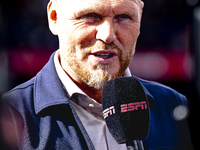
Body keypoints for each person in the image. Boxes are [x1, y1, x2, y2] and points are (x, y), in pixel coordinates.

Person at [1, 0, 193, 149]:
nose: (107, 35)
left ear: (140, 17)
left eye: (123, 16)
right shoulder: (10, 115)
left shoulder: (176, 106)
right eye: (90, 16)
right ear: (54, 17)